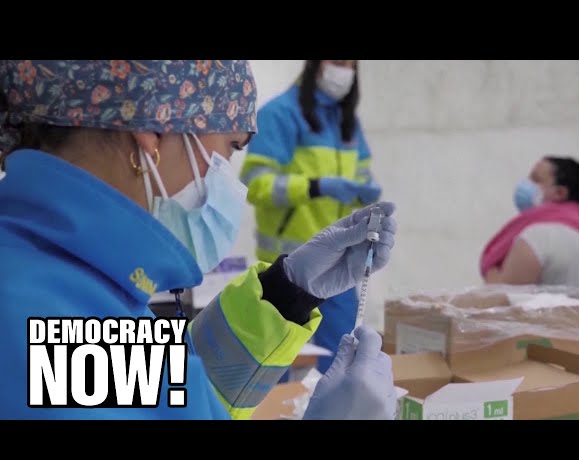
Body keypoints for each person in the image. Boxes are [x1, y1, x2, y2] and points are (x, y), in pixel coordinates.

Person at [0, 60, 398, 420]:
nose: (228, 178)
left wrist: (286, 293)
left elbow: (165, 398)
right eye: (230, 147)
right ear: (154, 131)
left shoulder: (76, 282)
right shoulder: (45, 319)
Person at [240, 60, 382, 373]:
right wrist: (315, 187)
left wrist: (365, 190)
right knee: (274, 368)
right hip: (288, 269)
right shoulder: (279, 115)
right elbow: (256, 185)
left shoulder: (345, 122)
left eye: (351, 64)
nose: (345, 71)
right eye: (337, 62)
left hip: (339, 267)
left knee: (340, 365)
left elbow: (361, 173)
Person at [480, 155, 579, 289]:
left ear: (559, 193)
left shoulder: (539, 236)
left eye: (536, 180)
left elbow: (501, 295)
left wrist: (491, 267)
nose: (525, 185)